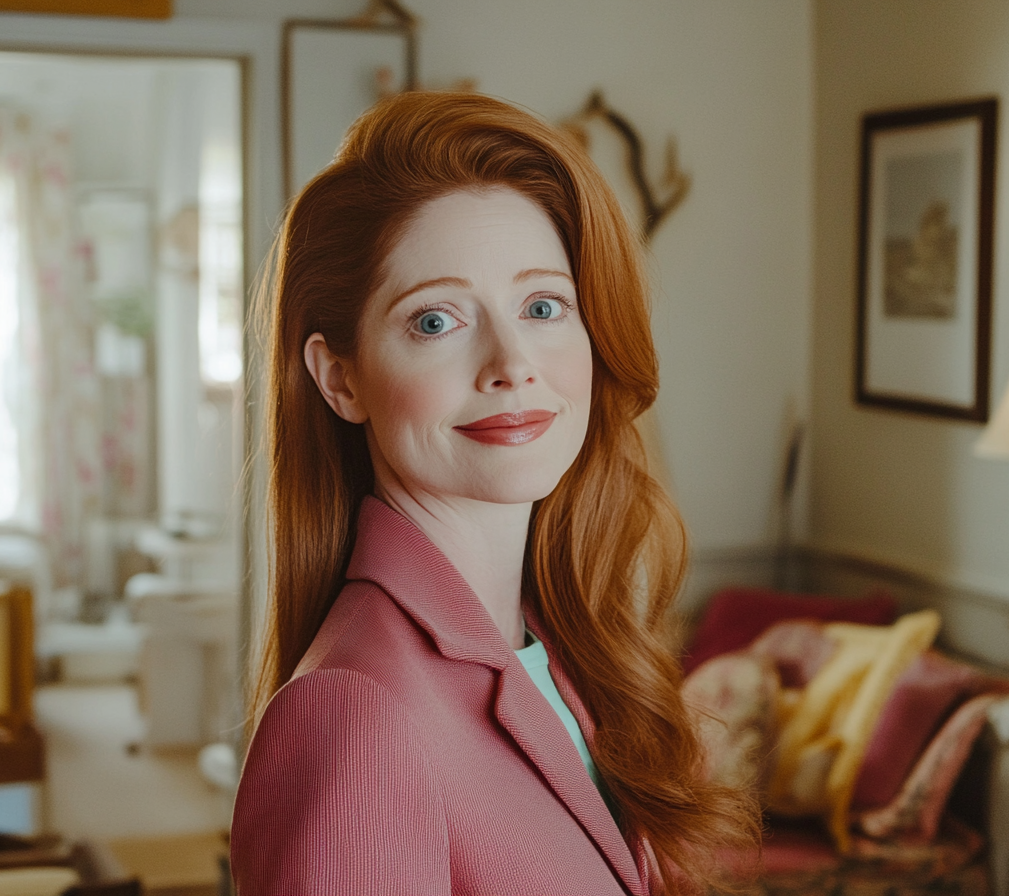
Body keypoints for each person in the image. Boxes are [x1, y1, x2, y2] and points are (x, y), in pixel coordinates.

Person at [231, 91, 758, 896]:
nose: (512, 362)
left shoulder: (562, 654)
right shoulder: (353, 717)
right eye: (436, 321)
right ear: (341, 379)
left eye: (543, 306)